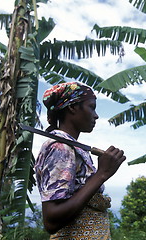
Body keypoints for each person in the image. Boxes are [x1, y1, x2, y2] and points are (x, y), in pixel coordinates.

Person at [35, 82, 126, 239]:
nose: (96, 115)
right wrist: (102, 174)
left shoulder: (72, 147)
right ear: (73, 107)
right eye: (91, 107)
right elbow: (51, 221)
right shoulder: (60, 148)